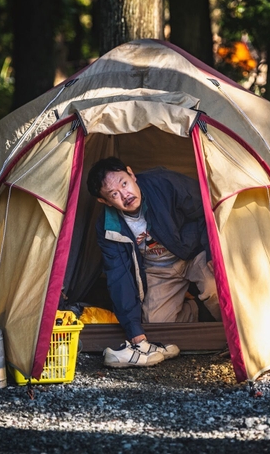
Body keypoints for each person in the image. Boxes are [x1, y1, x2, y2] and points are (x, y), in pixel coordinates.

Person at [87, 157, 220, 368]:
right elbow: (118, 277)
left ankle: (235, 334)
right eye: (114, 194)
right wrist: (135, 334)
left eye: (124, 183)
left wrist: (213, 252)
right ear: (104, 201)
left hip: (194, 252)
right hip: (159, 269)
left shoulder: (164, 183)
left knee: (216, 286)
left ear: (131, 174)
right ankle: (197, 311)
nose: (125, 195)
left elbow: (208, 208)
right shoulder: (108, 226)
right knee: (158, 326)